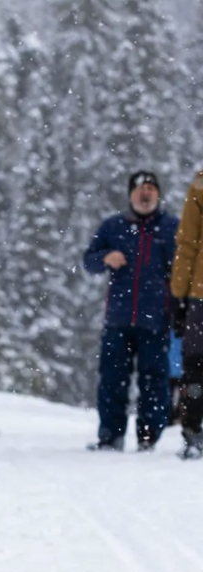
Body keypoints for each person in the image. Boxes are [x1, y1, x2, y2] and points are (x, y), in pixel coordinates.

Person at [82, 171, 178, 452]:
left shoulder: (171, 228)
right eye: (140, 189)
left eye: (151, 189)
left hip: (155, 320)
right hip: (118, 319)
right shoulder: (114, 226)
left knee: (154, 381)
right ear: (130, 194)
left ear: (158, 194)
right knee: (112, 380)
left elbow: (181, 270)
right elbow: (89, 261)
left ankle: (149, 437)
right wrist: (105, 258)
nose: (145, 194)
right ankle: (110, 436)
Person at [171, 166, 203, 460]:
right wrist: (179, 294)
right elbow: (187, 243)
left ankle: (194, 431)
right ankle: (193, 431)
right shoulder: (200, 185)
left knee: (196, 366)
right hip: (199, 293)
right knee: (195, 366)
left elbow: (187, 243)